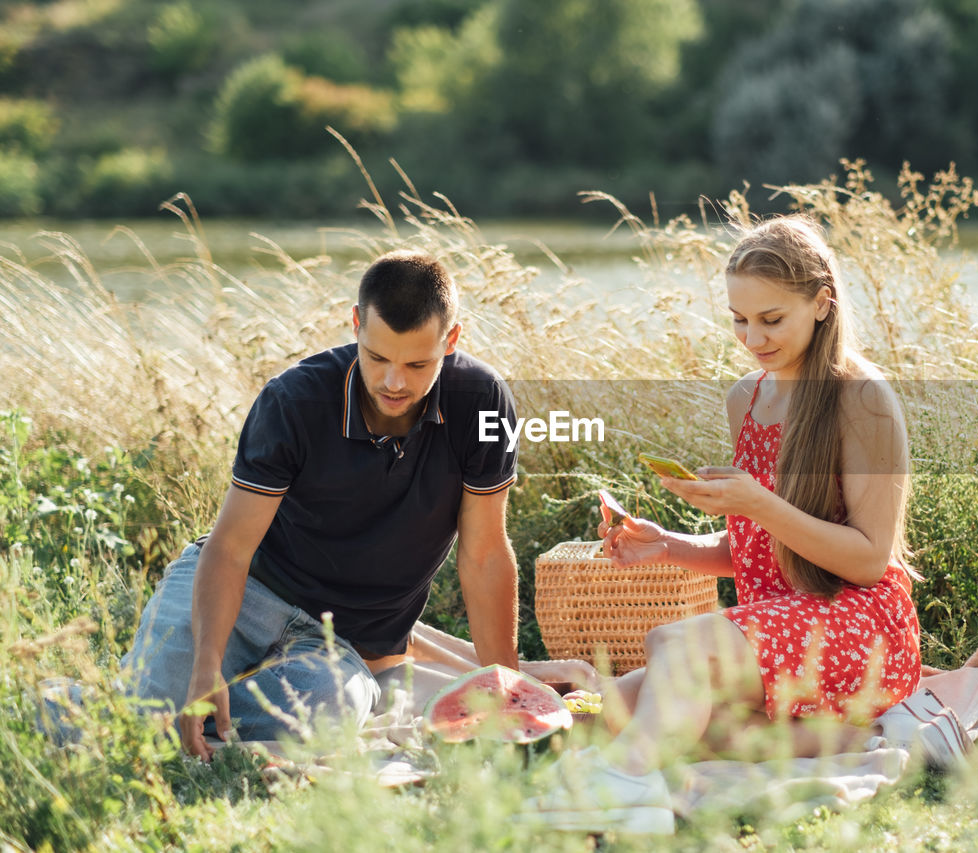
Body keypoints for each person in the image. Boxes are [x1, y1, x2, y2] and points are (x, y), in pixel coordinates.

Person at [521, 216, 922, 834]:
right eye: (739, 318)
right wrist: (669, 545)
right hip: (780, 628)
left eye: (771, 319)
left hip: (861, 626)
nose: (752, 337)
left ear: (821, 303)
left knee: (673, 646)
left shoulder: (862, 397)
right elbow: (762, 552)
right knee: (616, 711)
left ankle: (628, 789)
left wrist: (757, 501)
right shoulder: (747, 398)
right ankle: (839, 735)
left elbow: (869, 560)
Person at [120, 249, 537, 760]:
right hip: (249, 588)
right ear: (356, 324)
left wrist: (511, 691)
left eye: (417, 364)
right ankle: (143, 724)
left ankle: (178, 742)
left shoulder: (482, 401)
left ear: (451, 340)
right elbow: (230, 548)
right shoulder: (294, 401)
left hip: (339, 642)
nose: (394, 382)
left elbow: (486, 557)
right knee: (146, 709)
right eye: (378, 357)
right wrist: (207, 663)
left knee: (333, 708)